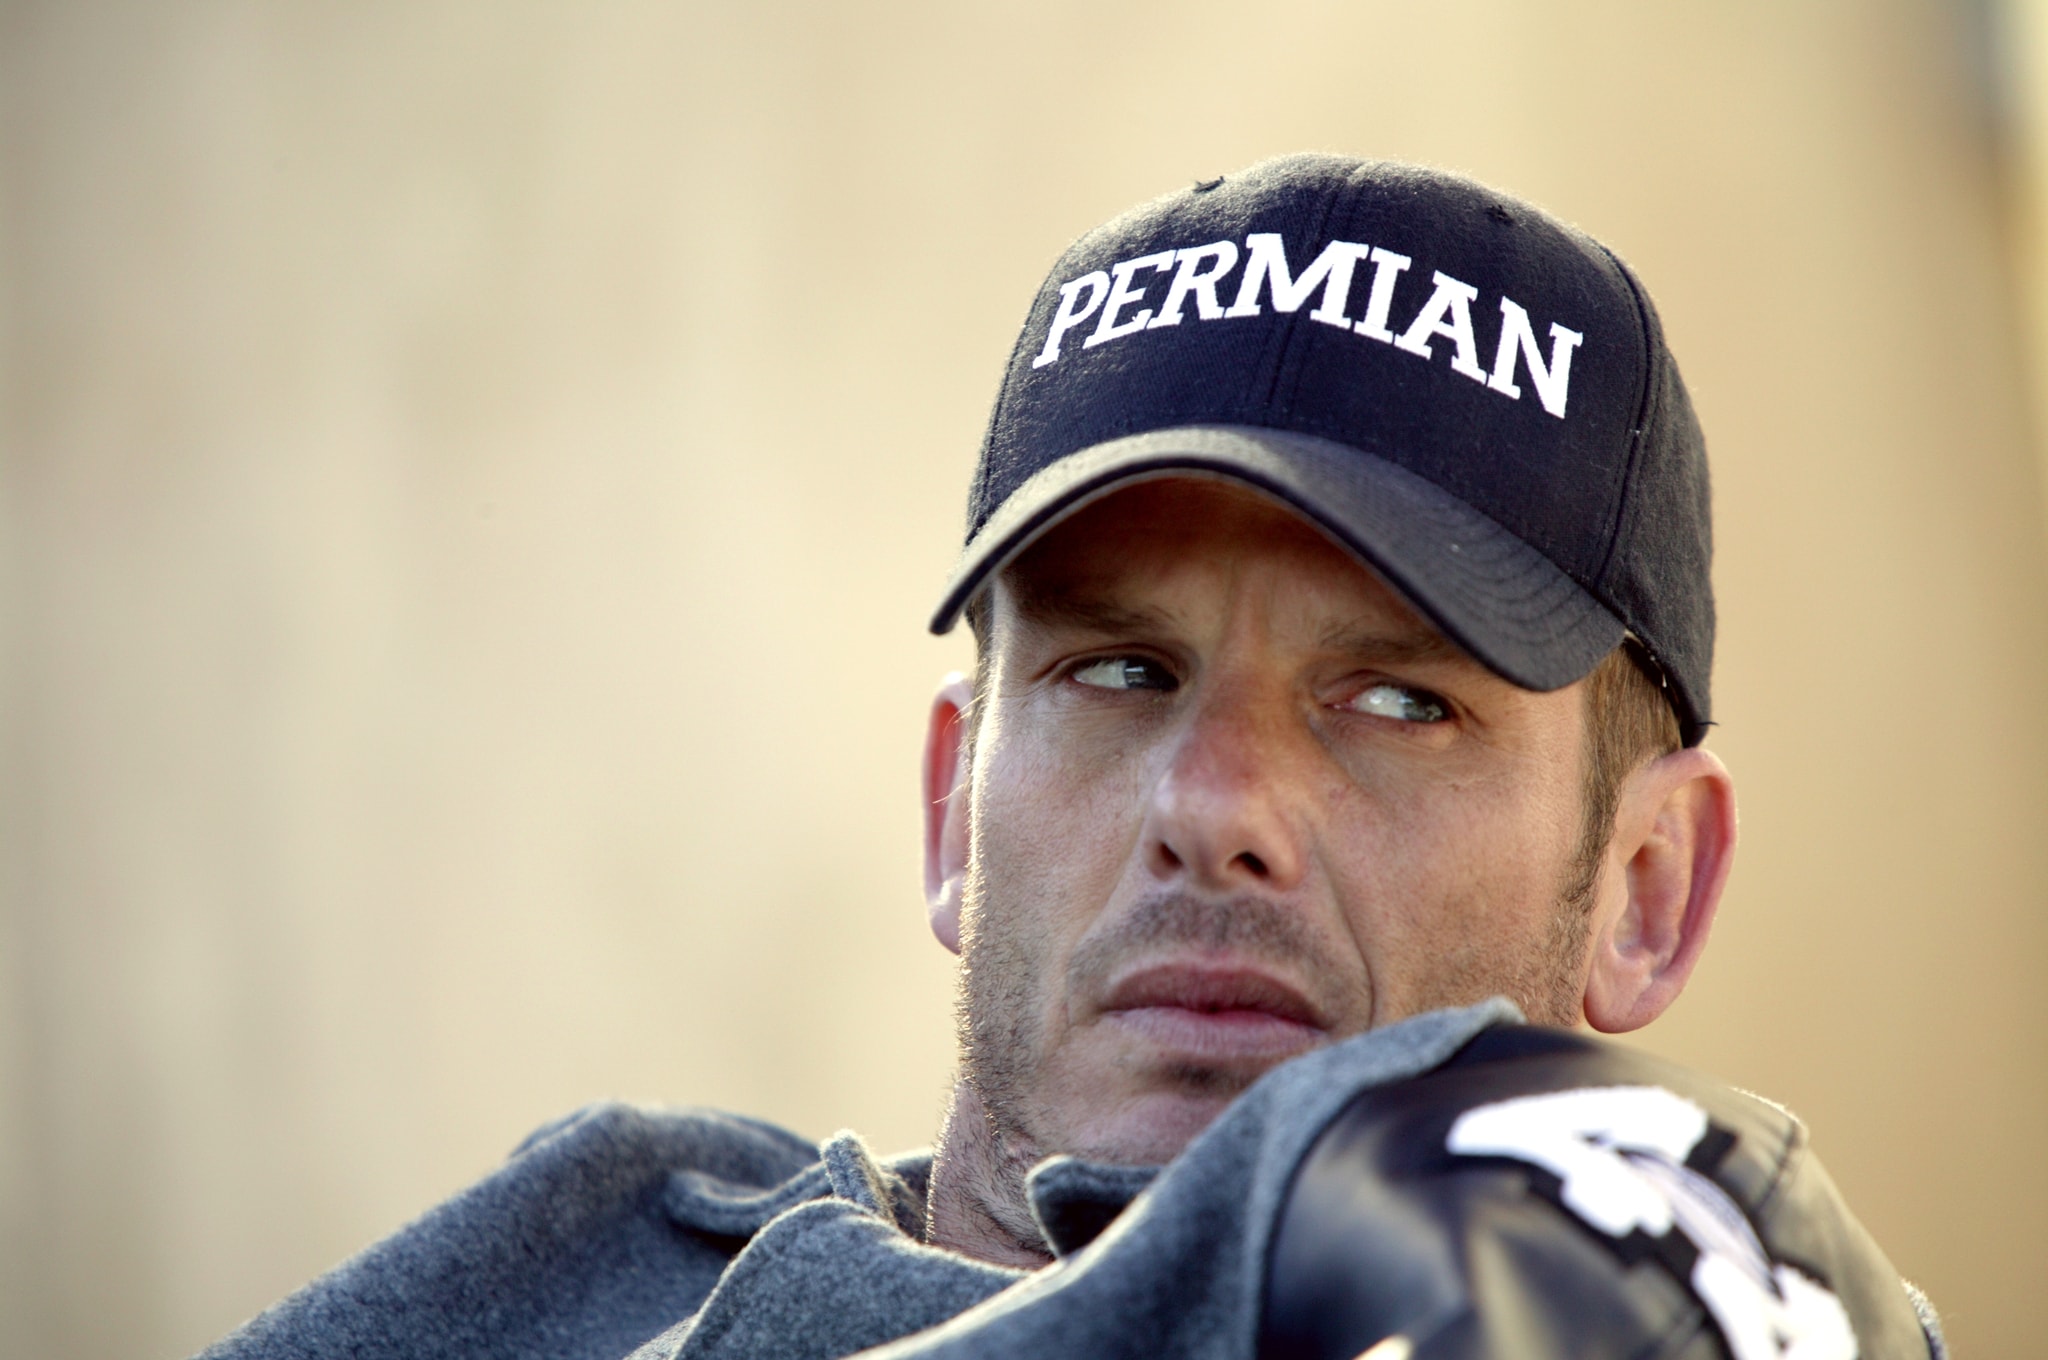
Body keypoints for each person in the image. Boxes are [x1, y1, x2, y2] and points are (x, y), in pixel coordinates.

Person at [197, 155, 1943, 1360]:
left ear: (1646, 888)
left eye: (1400, 702)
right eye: (1119, 671)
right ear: (953, 809)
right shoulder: (571, 1259)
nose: (1213, 807)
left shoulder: (1715, 1296)